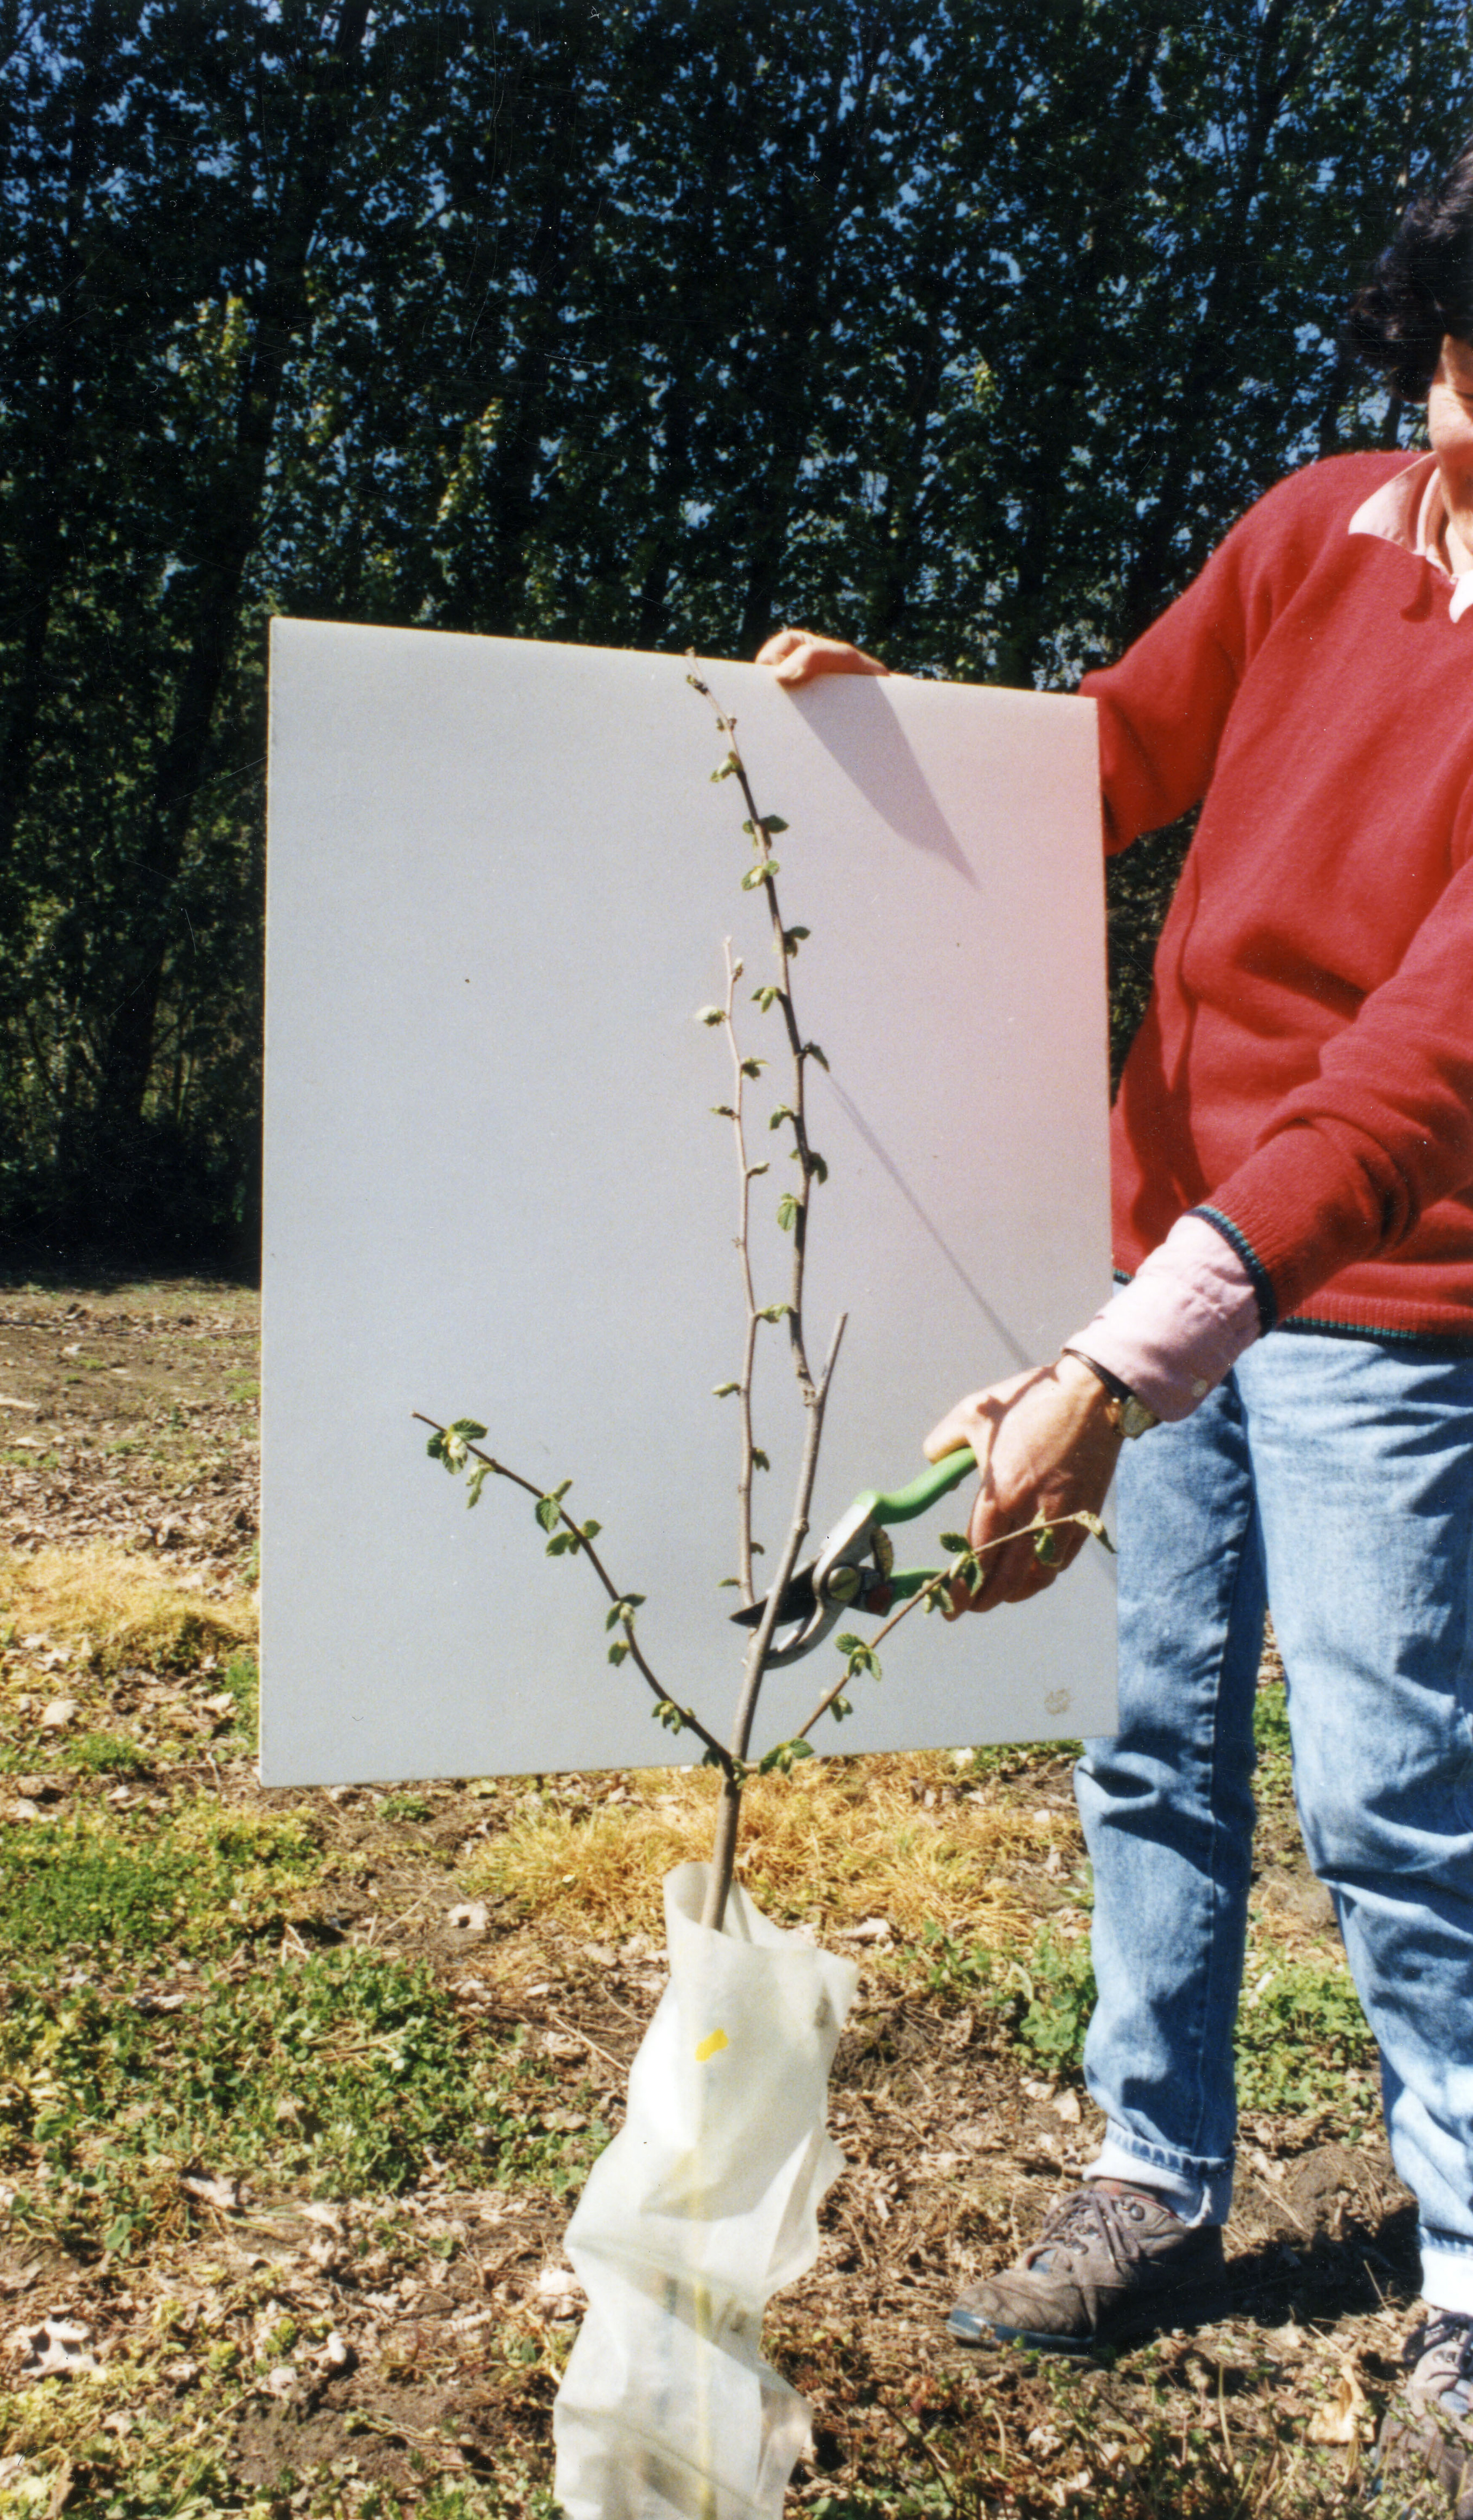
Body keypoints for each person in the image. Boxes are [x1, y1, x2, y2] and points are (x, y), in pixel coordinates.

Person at [759, 142, 1473, 2505]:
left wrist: (1114, 1358)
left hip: (1389, 1295)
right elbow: (1113, 758)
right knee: (1152, 1742)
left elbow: (1407, 1081)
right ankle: (1155, 2175)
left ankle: (1472, 2280)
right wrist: (896, 745)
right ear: (1438, 340)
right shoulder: (1316, 526)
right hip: (1172, 1244)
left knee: (1395, 1790)